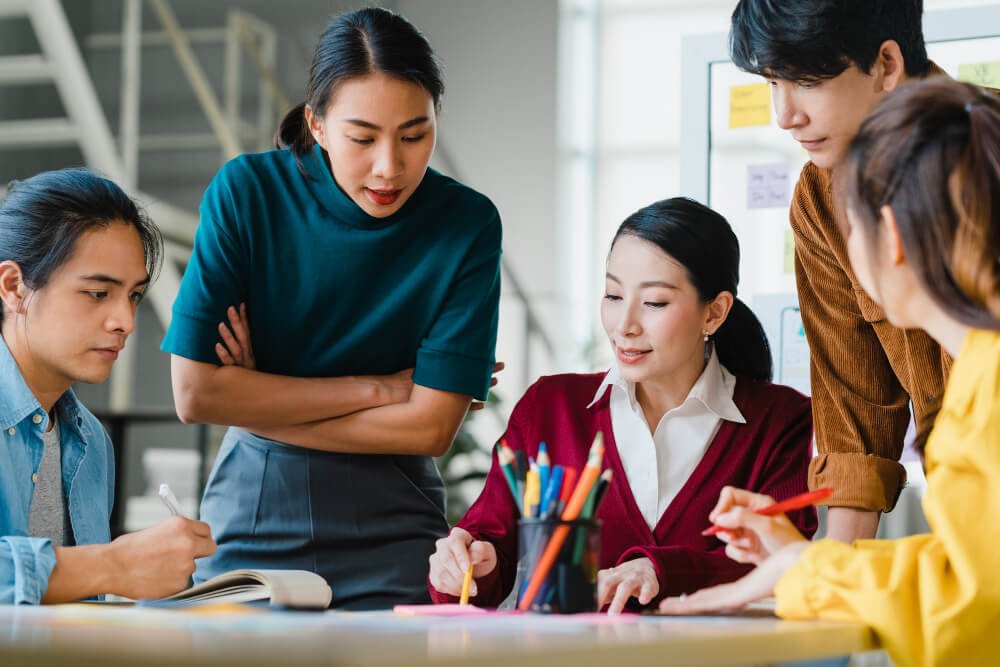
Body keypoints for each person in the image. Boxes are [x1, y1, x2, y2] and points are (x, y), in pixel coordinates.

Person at [162, 8, 502, 610]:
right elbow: (194, 396)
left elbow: (431, 427)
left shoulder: (467, 223)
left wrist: (254, 393)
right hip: (256, 507)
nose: (389, 167)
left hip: (396, 522)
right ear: (317, 126)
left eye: (414, 135)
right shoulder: (247, 192)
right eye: (363, 137)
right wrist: (380, 389)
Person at [661, 79, 1000, 667]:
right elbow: (971, 572)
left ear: (889, 235)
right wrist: (806, 561)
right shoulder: (978, 375)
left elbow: (970, 611)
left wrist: (808, 570)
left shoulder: (987, 390)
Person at [428, 198, 816, 614]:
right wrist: (467, 567)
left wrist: (659, 571)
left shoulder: (780, 420)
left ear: (715, 313)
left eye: (654, 303)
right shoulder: (550, 407)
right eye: (613, 295)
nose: (624, 325)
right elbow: (486, 556)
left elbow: (784, 563)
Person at [728, 0, 952, 542]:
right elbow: (852, 410)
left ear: (886, 65)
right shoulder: (819, 195)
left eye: (805, 81)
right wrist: (827, 585)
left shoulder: (980, 159)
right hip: (965, 527)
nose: (784, 115)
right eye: (771, 83)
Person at [0, 168, 215, 605]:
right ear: (13, 287)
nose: (126, 322)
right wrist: (115, 565)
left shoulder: (91, 443)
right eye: (99, 293)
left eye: (133, 295)